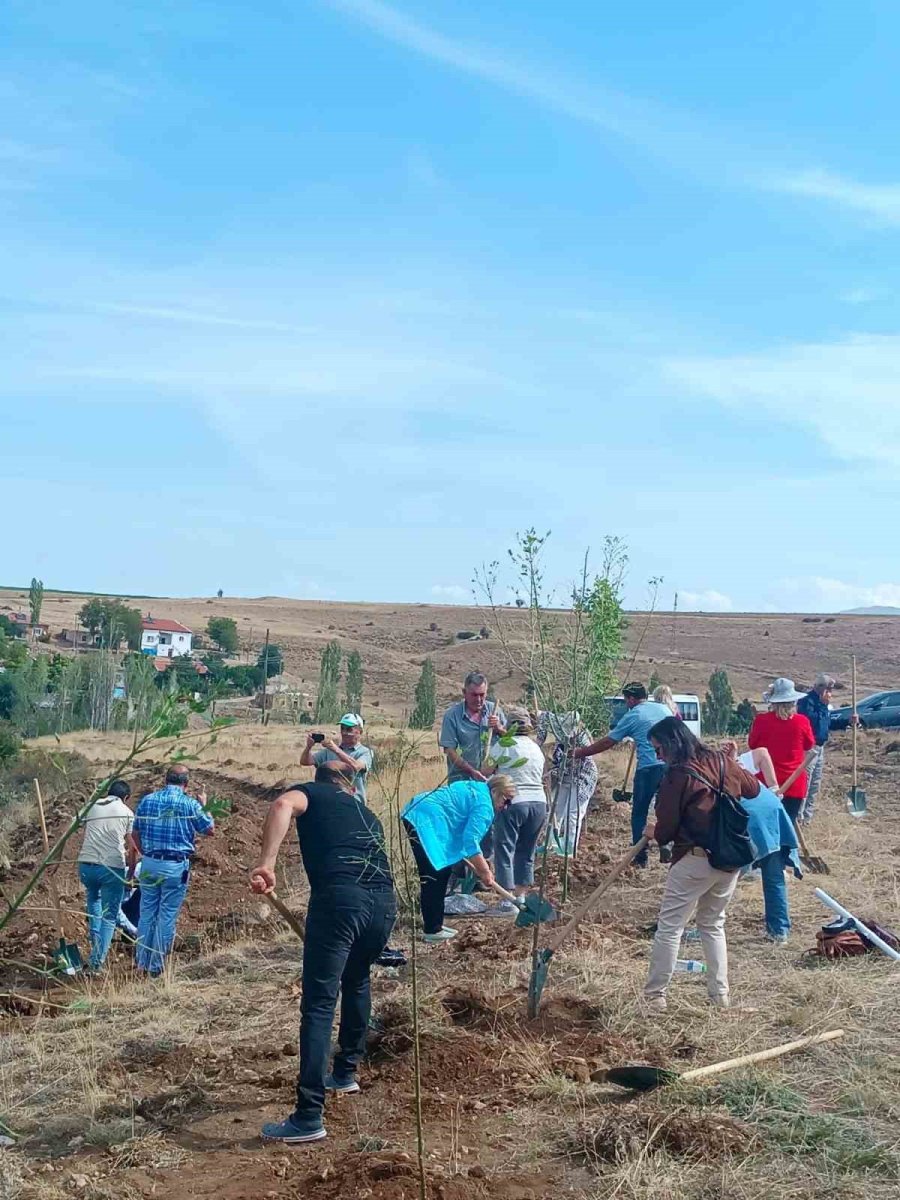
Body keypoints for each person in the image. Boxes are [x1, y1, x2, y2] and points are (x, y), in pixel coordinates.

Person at [250, 763, 397, 1145]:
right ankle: (345, 1073)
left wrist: (267, 864)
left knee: (318, 1004)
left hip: (340, 902)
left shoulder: (311, 793)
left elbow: (282, 804)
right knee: (357, 979)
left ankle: (308, 1116)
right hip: (384, 905)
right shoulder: (367, 813)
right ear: (350, 787)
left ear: (322, 783)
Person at [642, 717, 760, 1011]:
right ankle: (720, 995)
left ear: (671, 744)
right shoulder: (721, 762)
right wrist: (732, 763)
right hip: (729, 861)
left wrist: (654, 832)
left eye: (658, 749)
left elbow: (667, 829)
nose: (658, 756)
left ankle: (655, 996)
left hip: (695, 860)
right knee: (713, 925)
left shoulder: (677, 775)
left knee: (670, 928)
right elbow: (753, 788)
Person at [401, 774, 516, 942]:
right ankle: (432, 931)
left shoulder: (478, 789)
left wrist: (481, 866)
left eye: (510, 803)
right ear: (495, 791)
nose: (505, 807)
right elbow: (470, 841)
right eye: (505, 800)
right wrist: (484, 871)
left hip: (424, 813)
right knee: (435, 874)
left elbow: (463, 832)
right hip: (424, 819)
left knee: (442, 872)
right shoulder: (484, 806)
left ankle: (436, 924)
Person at [573, 683, 672, 867]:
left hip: (648, 768)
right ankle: (667, 843)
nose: (626, 704)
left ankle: (640, 858)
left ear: (631, 699)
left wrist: (581, 752)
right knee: (666, 808)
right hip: (671, 766)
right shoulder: (664, 709)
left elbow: (608, 742)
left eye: (626, 700)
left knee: (639, 813)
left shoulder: (633, 715)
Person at [132, 766, 214, 976]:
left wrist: (145, 853)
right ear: (186, 784)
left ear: (165, 780)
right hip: (175, 867)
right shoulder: (190, 804)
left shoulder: (148, 800)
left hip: (150, 863)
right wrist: (204, 805)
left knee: (147, 913)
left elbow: (135, 832)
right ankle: (155, 967)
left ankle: (141, 963)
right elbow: (209, 829)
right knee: (166, 916)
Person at [722, 745, 801, 944]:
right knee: (773, 876)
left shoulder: (709, 776)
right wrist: (773, 788)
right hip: (772, 810)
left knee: (723, 875)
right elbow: (762, 753)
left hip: (755, 820)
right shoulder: (732, 766)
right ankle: (779, 932)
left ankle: (708, 924)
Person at [486, 707, 548, 915]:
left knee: (504, 848)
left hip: (513, 801)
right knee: (526, 851)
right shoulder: (536, 748)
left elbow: (486, 770)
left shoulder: (503, 745)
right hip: (539, 803)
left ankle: (507, 901)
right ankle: (520, 896)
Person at [76, 779, 136, 972]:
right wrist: (130, 876)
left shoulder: (91, 806)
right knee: (109, 916)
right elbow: (133, 849)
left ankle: (96, 947)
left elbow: (71, 827)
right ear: (126, 797)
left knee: (94, 901)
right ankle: (96, 964)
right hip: (111, 868)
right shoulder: (127, 813)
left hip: (86, 865)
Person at [748, 678, 816, 826]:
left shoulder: (761, 720)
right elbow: (809, 744)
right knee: (787, 826)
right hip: (794, 783)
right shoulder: (802, 721)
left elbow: (752, 745)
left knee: (767, 827)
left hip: (766, 783)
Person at [534, 709, 598, 856]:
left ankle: (570, 848)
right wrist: (539, 741)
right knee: (555, 810)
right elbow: (543, 716)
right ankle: (549, 844)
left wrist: (551, 773)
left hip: (582, 777)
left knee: (573, 813)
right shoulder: (558, 727)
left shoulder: (582, 740)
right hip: (566, 776)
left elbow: (570, 765)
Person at [439, 673, 506, 784]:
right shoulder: (452, 716)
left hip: (492, 781)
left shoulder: (495, 711)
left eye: (482, 695)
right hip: (462, 781)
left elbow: (510, 741)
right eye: (474, 695)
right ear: (464, 693)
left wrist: (499, 728)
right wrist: (472, 772)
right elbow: (449, 751)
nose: (478, 699)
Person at [300, 713, 373, 803]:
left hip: (353, 802)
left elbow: (356, 766)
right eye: (342, 728)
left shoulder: (365, 752)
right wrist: (308, 747)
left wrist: (336, 750)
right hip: (329, 801)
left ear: (360, 731)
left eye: (349, 729)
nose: (344, 732)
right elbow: (305, 761)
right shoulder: (329, 751)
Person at [796, 673, 836, 824]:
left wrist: (849, 721)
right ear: (820, 687)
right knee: (805, 782)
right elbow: (811, 722)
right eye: (828, 689)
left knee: (815, 783)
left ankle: (807, 817)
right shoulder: (807, 702)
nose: (830, 692)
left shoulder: (822, 703)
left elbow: (827, 723)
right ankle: (799, 817)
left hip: (820, 747)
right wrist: (823, 705)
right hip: (808, 748)